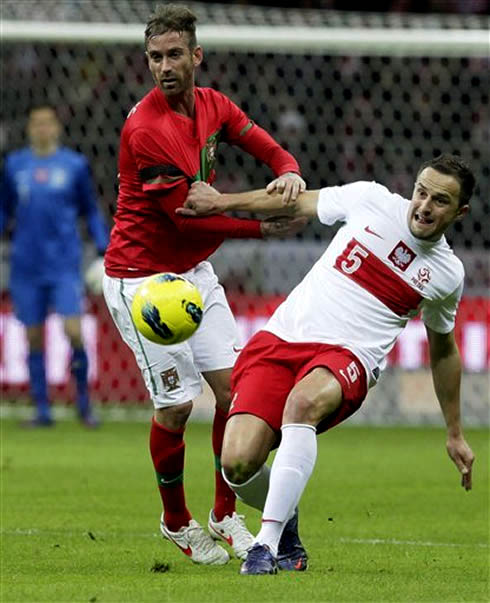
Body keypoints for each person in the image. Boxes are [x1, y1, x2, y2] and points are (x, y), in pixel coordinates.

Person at [179, 153, 477, 574]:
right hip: (282, 340)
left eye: (440, 201)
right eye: (421, 192)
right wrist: (221, 202)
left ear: (460, 212)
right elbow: (293, 201)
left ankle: (264, 545)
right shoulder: (370, 200)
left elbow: (443, 349)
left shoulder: (446, 274)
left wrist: (455, 432)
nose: (424, 206)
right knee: (237, 464)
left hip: (348, 356)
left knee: (302, 404)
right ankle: (285, 517)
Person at [102, 3, 307, 566]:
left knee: (235, 396)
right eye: (154, 57)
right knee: (175, 407)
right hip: (142, 281)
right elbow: (185, 215)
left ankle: (223, 514)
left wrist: (287, 167)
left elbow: (264, 144)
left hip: (195, 273)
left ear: (196, 55)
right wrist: (259, 226)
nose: (164, 66)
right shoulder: (146, 129)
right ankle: (177, 523)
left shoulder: (214, 105)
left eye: (173, 55)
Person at [1, 104, 109, 427]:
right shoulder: (14, 165)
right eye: (36, 124)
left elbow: (89, 209)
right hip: (26, 263)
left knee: (73, 331)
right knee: (33, 335)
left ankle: (84, 405)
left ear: (57, 128)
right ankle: (42, 410)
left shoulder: (75, 166)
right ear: (29, 129)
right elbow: (4, 211)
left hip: (64, 262)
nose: (42, 129)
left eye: (48, 123)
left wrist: (104, 245)